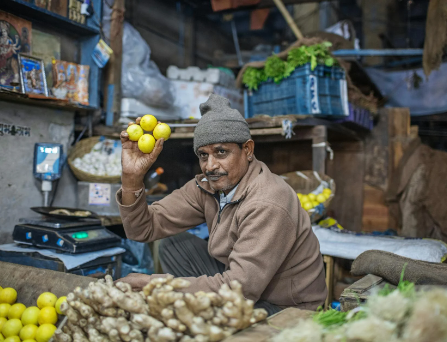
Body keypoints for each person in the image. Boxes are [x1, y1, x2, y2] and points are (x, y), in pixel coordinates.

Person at [117, 94, 327, 315]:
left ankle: (201, 316)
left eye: (221, 152)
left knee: (215, 313)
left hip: (287, 307)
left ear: (247, 150)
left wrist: (154, 283)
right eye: (203, 155)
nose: (211, 166)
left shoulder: (268, 201)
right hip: (245, 285)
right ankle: (198, 312)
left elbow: (240, 289)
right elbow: (142, 229)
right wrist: (132, 178)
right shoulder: (208, 186)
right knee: (174, 246)